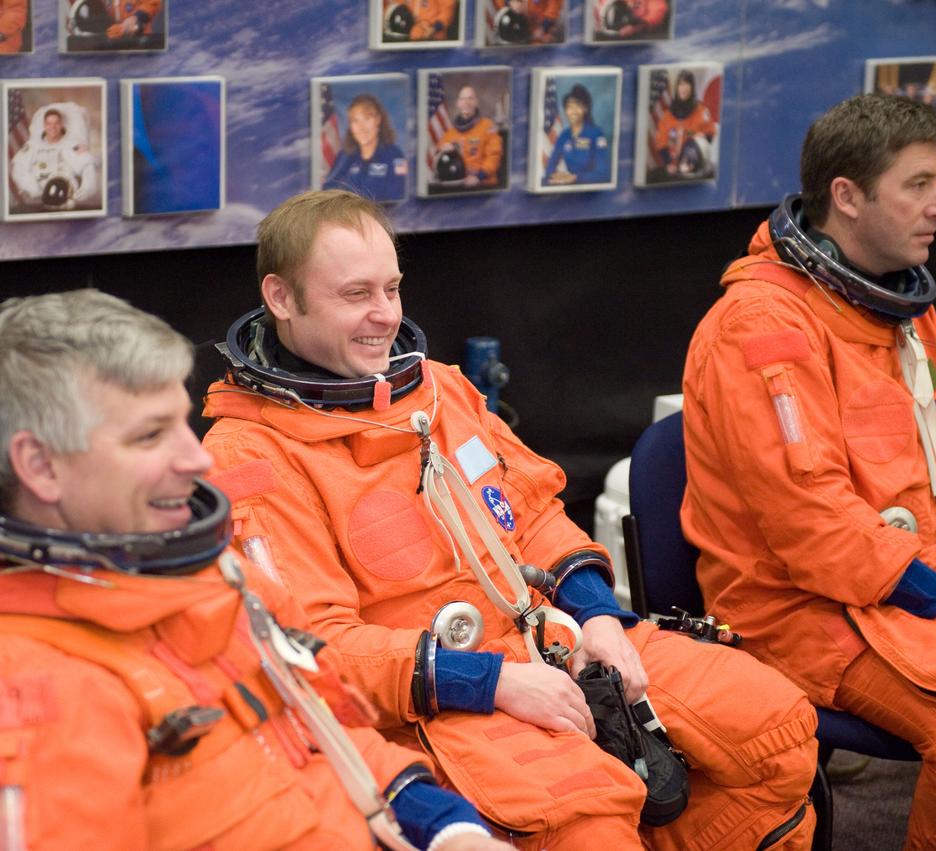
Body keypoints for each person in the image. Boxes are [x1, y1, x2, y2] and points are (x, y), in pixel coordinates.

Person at [202, 190, 820, 850]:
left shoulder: (442, 390)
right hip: (430, 698)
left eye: (392, 288)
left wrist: (600, 617)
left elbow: (533, 513)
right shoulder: (249, 457)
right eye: (357, 294)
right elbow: (312, 646)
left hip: (549, 635)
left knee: (775, 732)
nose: (384, 315)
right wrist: (491, 682)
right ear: (282, 297)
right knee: (588, 825)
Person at [0, 289, 512, 851]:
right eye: (149, 435)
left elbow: (323, 717)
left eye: (181, 421)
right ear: (39, 465)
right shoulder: (1, 693)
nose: (198, 458)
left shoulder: (202, 576)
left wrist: (447, 825)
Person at [681, 93, 936, 848]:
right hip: (801, 608)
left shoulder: (898, 306)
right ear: (846, 195)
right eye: (919, 183)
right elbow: (810, 524)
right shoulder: (761, 329)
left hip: (928, 576)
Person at [10, 105, 100, 211]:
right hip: (39, 198)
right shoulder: (32, 146)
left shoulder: (71, 145)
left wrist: (86, 189)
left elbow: (88, 166)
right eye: (49, 123)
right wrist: (34, 190)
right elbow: (18, 168)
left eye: (56, 123)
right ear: (44, 125)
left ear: (61, 125)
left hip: (66, 198)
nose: (52, 127)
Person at [323, 94, 407, 203]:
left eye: (367, 118)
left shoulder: (395, 155)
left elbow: (397, 195)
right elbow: (328, 190)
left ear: (378, 119)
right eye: (355, 121)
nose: (361, 127)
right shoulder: (344, 156)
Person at [652, 69, 716, 179]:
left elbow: (710, 133)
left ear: (692, 87)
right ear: (677, 88)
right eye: (681, 84)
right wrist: (668, 163)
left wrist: (704, 137)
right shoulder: (667, 116)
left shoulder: (701, 111)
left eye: (687, 84)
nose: (684, 88)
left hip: (694, 167)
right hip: (672, 167)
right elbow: (661, 142)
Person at [543, 85, 611, 186]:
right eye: (569, 107)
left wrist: (576, 178)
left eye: (577, 106)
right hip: (569, 188)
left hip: (589, 190)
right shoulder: (564, 135)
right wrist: (557, 176)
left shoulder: (596, 134)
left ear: (585, 109)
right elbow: (550, 167)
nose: (573, 111)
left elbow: (603, 174)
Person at [436, 87, 503, 189]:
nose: (466, 102)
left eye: (470, 98)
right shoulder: (450, 134)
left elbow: (494, 156)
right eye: (463, 99)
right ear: (458, 103)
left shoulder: (487, 127)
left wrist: (479, 176)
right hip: (459, 184)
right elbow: (439, 156)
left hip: (483, 185)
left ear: (476, 102)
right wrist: (443, 151)